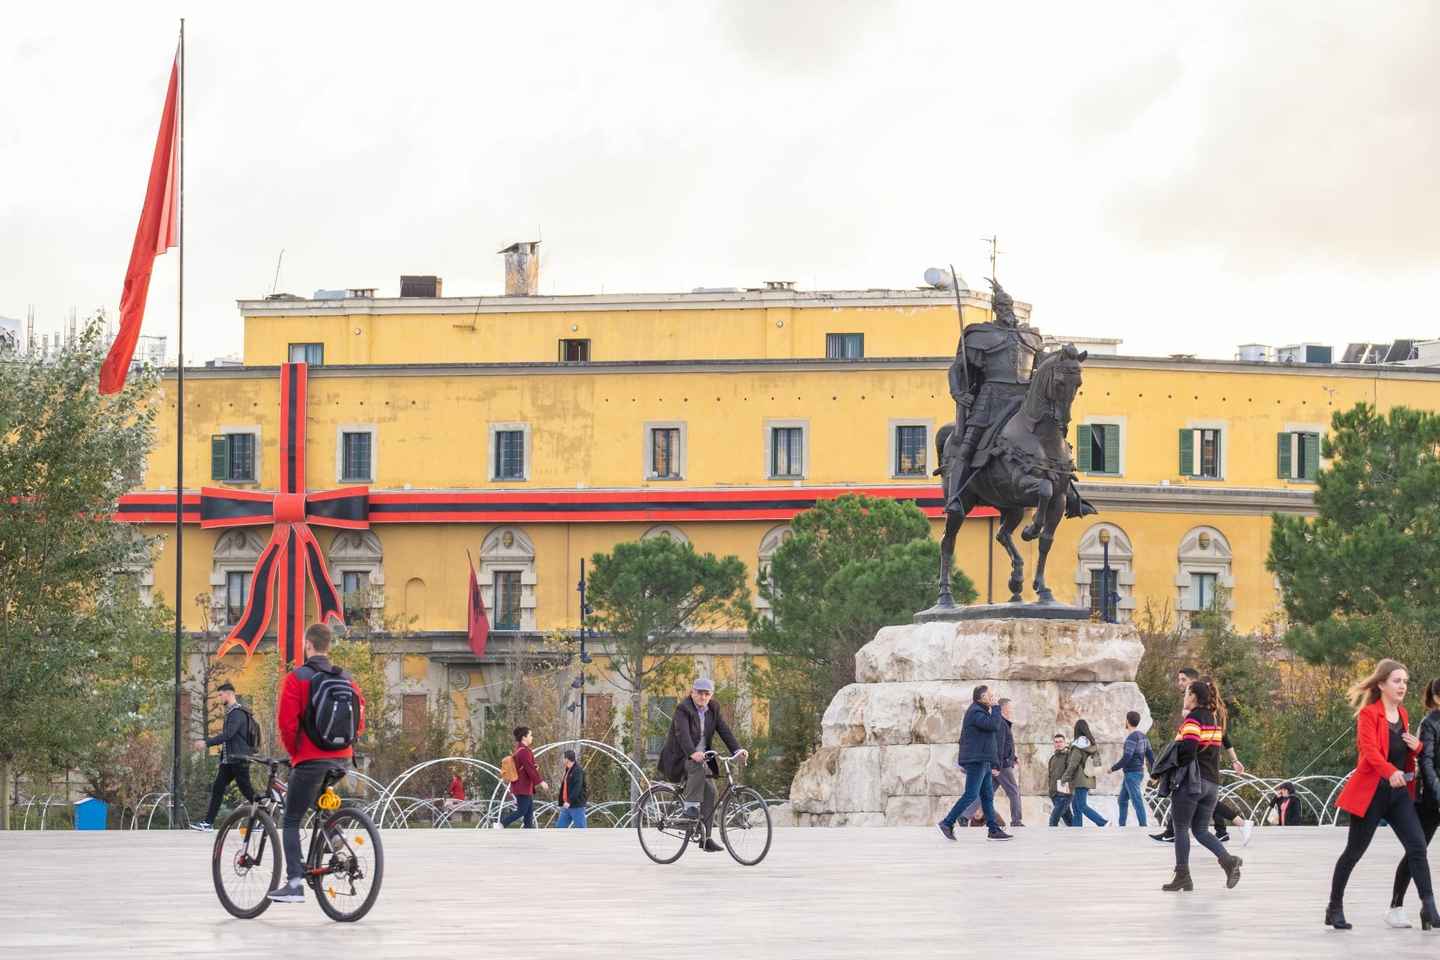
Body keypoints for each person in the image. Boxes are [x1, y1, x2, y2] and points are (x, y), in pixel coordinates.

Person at [1326, 660, 1437, 931]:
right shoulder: (1368, 714)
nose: (1403, 686)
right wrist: (1389, 772)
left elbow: (1405, 751)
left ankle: (1429, 907)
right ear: (1381, 684)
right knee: (1354, 852)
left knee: (1417, 846)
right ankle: (1334, 907)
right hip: (1371, 792)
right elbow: (1370, 751)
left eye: (1406, 682)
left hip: (1398, 795)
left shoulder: (1404, 715)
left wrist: (1418, 746)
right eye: (1397, 681)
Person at [266, 623, 366, 903]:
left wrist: (296, 753)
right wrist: (343, 747)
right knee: (319, 805)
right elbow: (360, 720)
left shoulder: (297, 678)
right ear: (328, 646)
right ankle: (337, 845)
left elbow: (286, 724)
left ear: (307, 645)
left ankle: (295, 882)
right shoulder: (347, 679)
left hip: (310, 759)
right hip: (342, 759)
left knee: (291, 818)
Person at [1152, 667, 1252, 845]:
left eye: (1183, 680)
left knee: (1198, 795)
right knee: (1203, 797)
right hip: (1204, 760)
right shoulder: (1200, 708)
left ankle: (1237, 824)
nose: (1180, 684)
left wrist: (1234, 759)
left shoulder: (1202, 711)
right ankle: (1176, 831)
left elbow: (1221, 737)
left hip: (1201, 759)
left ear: (1194, 688)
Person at [1162, 678, 1242, 893]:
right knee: (1200, 830)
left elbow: (1188, 750)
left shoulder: (1193, 720)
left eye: (1187, 692)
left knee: (1180, 828)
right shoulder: (1214, 721)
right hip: (1211, 784)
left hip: (1191, 784)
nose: (1184, 696)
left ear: (1194, 696)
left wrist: (1170, 763)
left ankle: (1182, 876)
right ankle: (1228, 861)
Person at [658, 678, 746, 852]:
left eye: (707, 694)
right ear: (692, 693)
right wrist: (692, 752)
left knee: (712, 791)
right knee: (696, 767)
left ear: (711, 695)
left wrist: (737, 750)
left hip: (701, 758)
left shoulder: (713, 709)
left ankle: (706, 838)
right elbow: (682, 733)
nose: (703, 697)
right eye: (699, 693)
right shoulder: (683, 709)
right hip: (680, 757)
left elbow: (724, 730)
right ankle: (689, 810)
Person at [1391, 677, 1440, 926]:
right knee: (1416, 851)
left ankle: (1426, 910)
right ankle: (1397, 906)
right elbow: (1427, 762)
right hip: (1431, 799)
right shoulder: (1429, 723)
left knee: (1416, 851)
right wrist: (1438, 793)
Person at [937, 685, 1013, 841]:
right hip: (976, 761)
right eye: (990, 695)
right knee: (971, 794)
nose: (993, 698)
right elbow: (994, 725)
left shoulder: (982, 712)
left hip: (984, 760)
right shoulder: (975, 712)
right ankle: (947, 822)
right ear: (982, 697)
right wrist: (997, 707)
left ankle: (993, 829)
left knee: (987, 796)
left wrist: (993, 762)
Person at [190, 681, 258, 832]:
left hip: (239, 760)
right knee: (218, 788)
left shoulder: (238, 713)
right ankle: (208, 823)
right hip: (229, 761)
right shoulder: (232, 713)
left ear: (229, 694)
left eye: (221, 695)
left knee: (247, 790)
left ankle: (263, 820)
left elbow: (228, 735)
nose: (219, 698)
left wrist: (206, 743)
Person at [962, 698, 1023, 827]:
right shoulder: (1000, 723)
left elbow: (1005, 746)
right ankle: (1016, 821)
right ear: (1003, 708)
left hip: (999, 764)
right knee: (1014, 792)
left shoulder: (1002, 723)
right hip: (1002, 766)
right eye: (1010, 707)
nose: (1011, 710)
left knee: (985, 792)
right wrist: (997, 766)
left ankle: (964, 815)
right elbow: (998, 747)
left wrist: (1014, 757)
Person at [1110, 710, 1154, 827]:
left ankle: (1143, 826)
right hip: (1137, 773)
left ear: (1127, 721)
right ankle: (1122, 825)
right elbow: (1150, 756)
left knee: (1137, 800)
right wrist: (1155, 772)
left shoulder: (1131, 738)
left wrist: (1113, 768)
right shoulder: (1143, 737)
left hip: (1132, 774)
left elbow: (1127, 757)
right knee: (1122, 800)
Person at [499, 726, 547, 828]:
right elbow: (530, 769)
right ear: (524, 737)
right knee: (522, 810)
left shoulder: (521, 750)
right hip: (522, 787)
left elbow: (527, 767)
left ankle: (528, 831)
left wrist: (534, 767)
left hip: (524, 787)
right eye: (530, 735)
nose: (532, 737)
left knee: (529, 813)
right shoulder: (523, 751)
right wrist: (541, 782)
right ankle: (502, 824)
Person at [1062, 718, 1107, 827]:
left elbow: (1073, 764)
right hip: (1088, 778)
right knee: (1075, 805)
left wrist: (1064, 778)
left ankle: (1102, 822)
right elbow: (1097, 763)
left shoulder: (1078, 745)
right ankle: (1077, 828)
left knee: (1081, 805)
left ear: (1076, 730)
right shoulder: (1092, 744)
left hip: (1080, 779)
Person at [554, 749, 588, 829]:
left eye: (563, 758)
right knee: (560, 828)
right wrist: (563, 802)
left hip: (576, 805)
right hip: (566, 806)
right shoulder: (568, 769)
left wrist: (569, 801)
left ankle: (585, 841)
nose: (562, 760)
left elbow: (577, 788)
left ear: (567, 759)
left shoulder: (578, 770)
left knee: (581, 828)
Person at [1047, 733, 1075, 827]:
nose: (1058, 744)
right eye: (1056, 742)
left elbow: (1071, 772)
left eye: (1060, 742)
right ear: (1054, 744)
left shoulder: (1069, 756)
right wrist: (1051, 792)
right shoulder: (1052, 758)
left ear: (1064, 743)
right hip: (1054, 794)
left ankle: (1052, 840)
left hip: (1065, 794)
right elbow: (1050, 777)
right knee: (1069, 820)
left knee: (1053, 820)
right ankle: (1077, 837)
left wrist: (1067, 791)